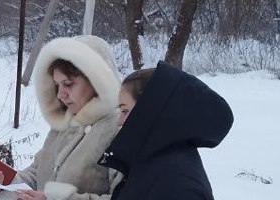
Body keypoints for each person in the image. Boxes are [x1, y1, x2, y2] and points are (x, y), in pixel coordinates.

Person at [0, 35, 121, 200]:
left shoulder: (118, 128)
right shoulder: (65, 123)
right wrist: (3, 186)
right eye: (57, 85)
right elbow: (36, 175)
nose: (60, 95)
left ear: (97, 80)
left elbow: (124, 196)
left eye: (68, 84)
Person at [99, 61, 234, 200]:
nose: (119, 121)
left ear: (148, 111)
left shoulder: (177, 184)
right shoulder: (150, 162)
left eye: (125, 111)